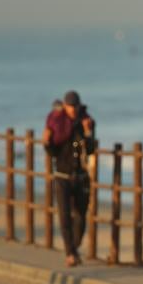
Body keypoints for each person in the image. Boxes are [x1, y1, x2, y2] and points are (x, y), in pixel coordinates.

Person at [45, 91, 96, 267]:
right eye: (70, 106)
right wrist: (47, 142)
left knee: (81, 216)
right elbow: (52, 153)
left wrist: (89, 133)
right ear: (65, 106)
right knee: (64, 216)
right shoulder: (56, 123)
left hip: (81, 176)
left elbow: (90, 150)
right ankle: (70, 253)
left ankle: (73, 247)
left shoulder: (86, 121)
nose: (73, 110)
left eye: (75, 106)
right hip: (62, 175)